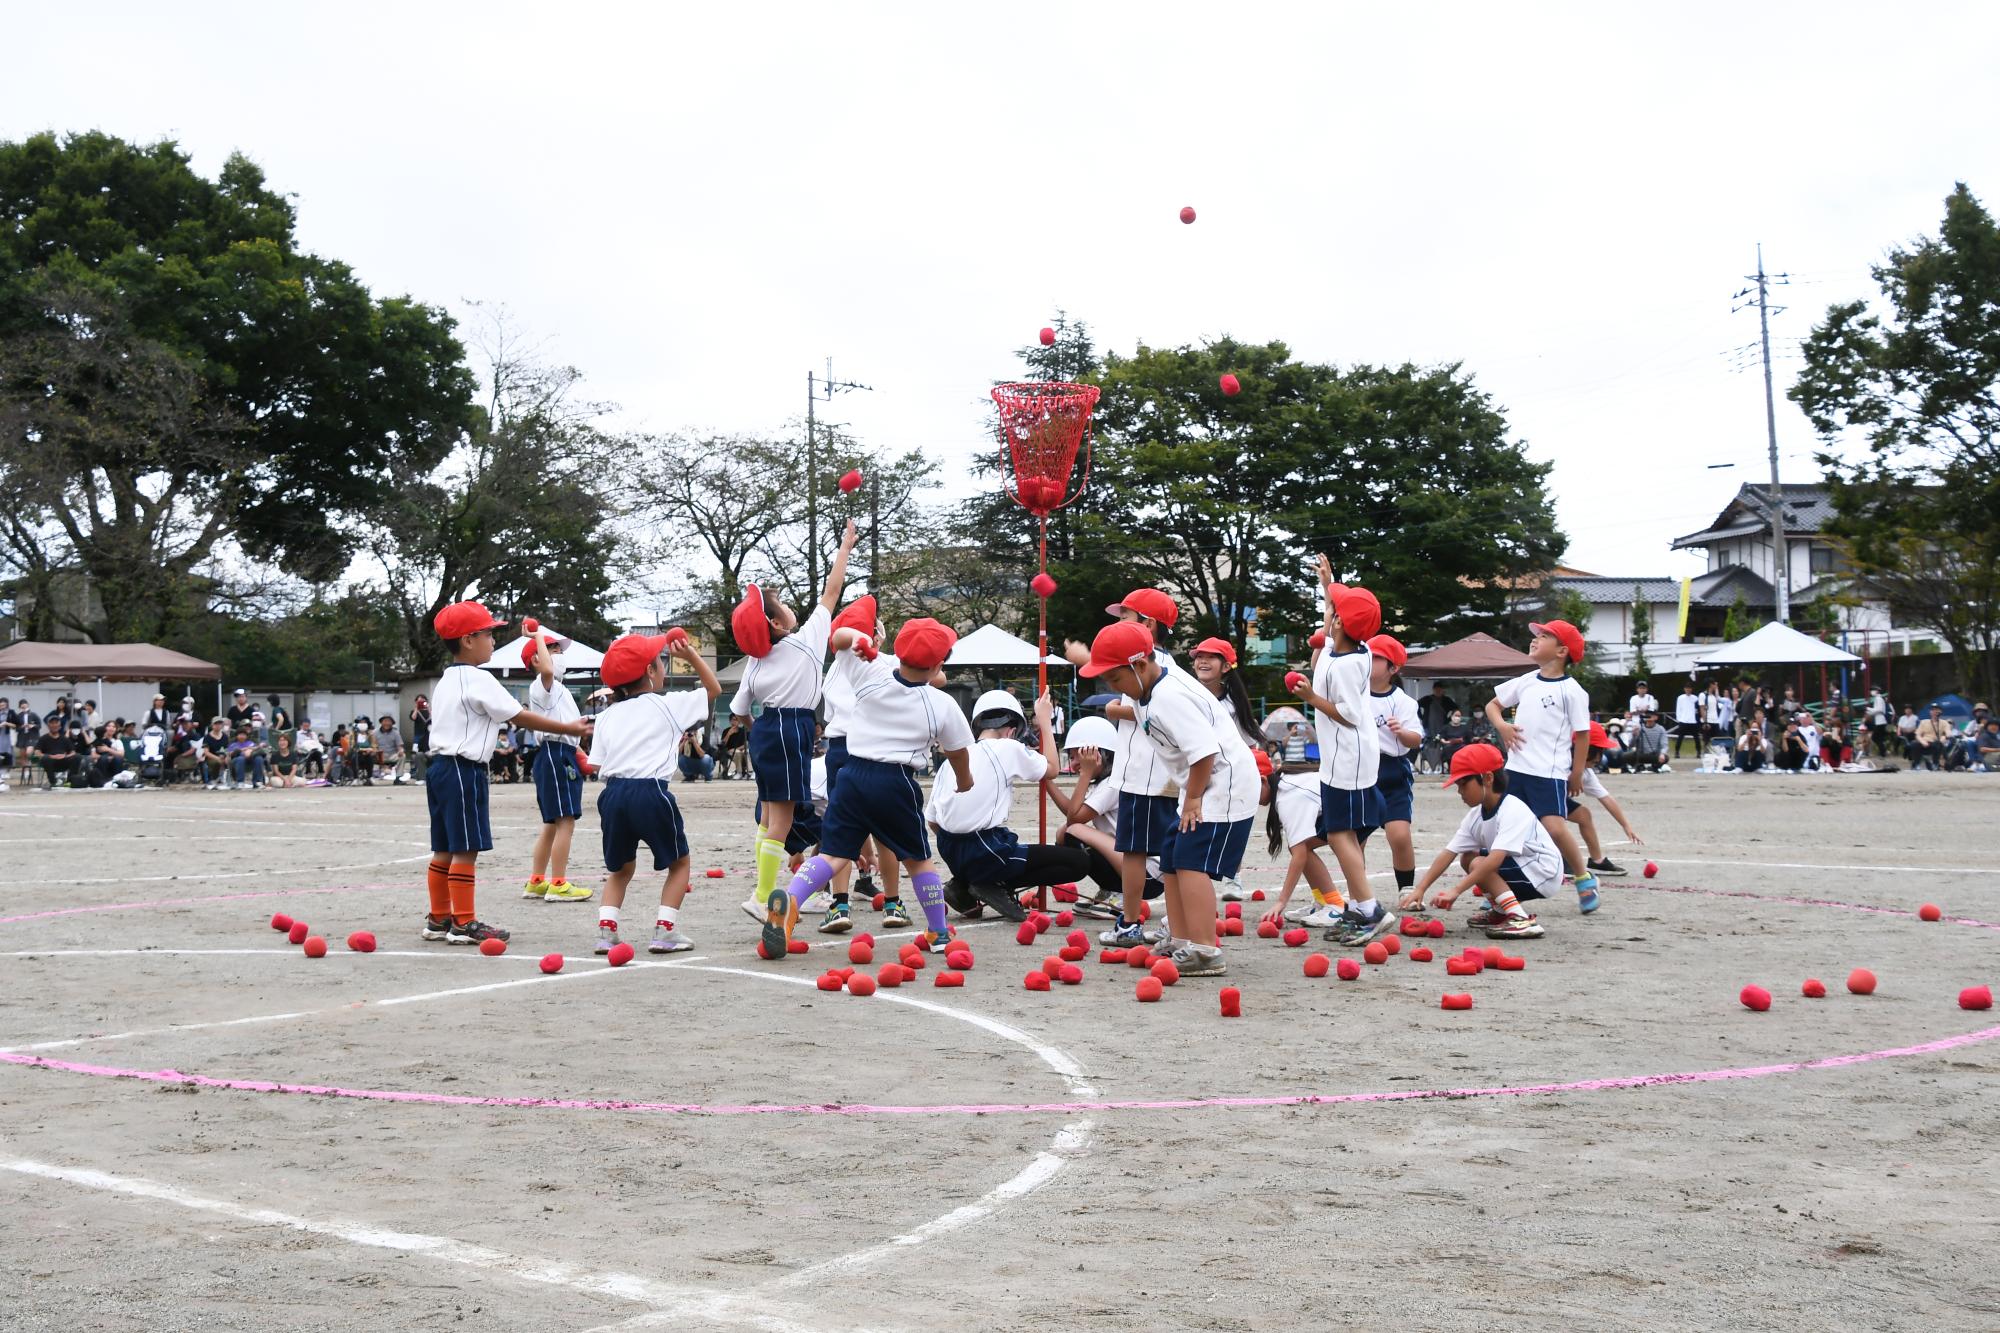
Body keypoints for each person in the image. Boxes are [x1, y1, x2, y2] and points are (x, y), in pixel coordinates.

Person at [763, 618, 973, 959]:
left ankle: (791, 902)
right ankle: (937, 930)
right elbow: (958, 752)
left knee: (832, 854)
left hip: (852, 775)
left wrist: (859, 640)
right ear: (938, 665)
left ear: (898, 653)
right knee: (918, 860)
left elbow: (839, 637)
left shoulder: (871, 672)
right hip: (896, 782)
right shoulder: (941, 704)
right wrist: (965, 781)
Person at [1080, 620, 1260, 977]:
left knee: (1191, 862)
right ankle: (1181, 939)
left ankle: (1206, 950)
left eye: (1115, 679)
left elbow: (1205, 752)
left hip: (1223, 784)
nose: (1111, 687)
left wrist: (1192, 799)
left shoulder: (1169, 697)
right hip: (1199, 784)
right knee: (1173, 859)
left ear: (1141, 665)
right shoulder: (1144, 690)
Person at [421, 600, 594, 947]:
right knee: (465, 849)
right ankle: (464, 922)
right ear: (468, 640)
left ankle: (439, 917)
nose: (492, 641)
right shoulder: (478, 678)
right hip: (462, 769)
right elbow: (518, 716)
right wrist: (568, 727)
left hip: (439, 768)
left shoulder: (446, 680)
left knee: (443, 847)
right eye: (488, 634)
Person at [729, 519, 858, 926]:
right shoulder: (805, 642)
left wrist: (760, 729)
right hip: (791, 728)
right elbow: (833, 591)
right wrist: (845, 547)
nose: (788, 605)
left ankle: (763, 888)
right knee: (782, 819)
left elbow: (741, 709)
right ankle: (763, 894)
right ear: (777, 624)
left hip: (766, 729)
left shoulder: (755, 661)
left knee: (769, 816)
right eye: (780, 603)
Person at [1063, 586, 1189, 950]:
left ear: (1148, 625)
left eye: (1125, 618)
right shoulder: (1157, 663)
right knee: (1160, 850)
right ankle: (1172, 921)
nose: (1119, 623)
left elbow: (1135, 708)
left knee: (1137, 851)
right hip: (1153, 771)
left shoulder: (1155, 666)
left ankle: (1131, 923)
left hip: (1147, 773)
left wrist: (1107, 703)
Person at [589, 630, 722, 956]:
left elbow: (595, 765)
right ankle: (665, 931)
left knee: (619, 870)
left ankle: (606, 933)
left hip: (612, 794)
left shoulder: (605, 716)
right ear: (650, 672)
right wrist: (691, 656)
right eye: (660, 662)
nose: (663, 666)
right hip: (650, 792)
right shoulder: (668, 705)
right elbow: (713, 690)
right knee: (680, 863)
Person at [1293, 569, 1395, 946]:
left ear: (1340, 623)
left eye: (1335, 611)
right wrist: (1327, 588)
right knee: (1344, 832)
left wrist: (1311, 699)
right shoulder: (1354, 648)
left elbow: (1348, 713)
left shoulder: (1349, 663)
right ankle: (1359, 905)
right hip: (1348, 757)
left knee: (1338, 833)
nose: (1330, 616)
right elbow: (1332, 627)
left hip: (1348, 758)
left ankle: (1369, 908)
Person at [929, 689, 1084, 922]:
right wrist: (1044, 721)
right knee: (1079, 862)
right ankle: (990, 882)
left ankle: (964, 880)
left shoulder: (954, 759)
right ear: (1012, 730)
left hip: (949, 848)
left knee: (1006, 841)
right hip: (985, 849)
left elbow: (933, 821)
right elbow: (1052, 768)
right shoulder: (1007, 747)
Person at [1484, 619, 1601, 918]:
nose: (1535, 639)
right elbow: (1492, 706)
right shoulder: (1526, 680)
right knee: (1505, 831)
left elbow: (1583, 735)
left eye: (1545, 636)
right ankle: (1501, 888)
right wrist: (1503, 727)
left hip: (1548, 774)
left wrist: (1576, 773)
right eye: (1536, 635)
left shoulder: (1572, 691)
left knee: (1554, 827)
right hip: (1515, 771)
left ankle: (1585, 879)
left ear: (1562, 651)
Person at [1405, 743, 1561, 938]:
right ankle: (1501, 911)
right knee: (1467, 858)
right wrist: (1420, 889)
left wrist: (1456, 890)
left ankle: (1520, 918)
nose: (1459, 791)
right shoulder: (1475, 816)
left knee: (1480, 862)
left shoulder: (1512, 808)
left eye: (1464, 784)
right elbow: (1449, 852)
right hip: (1524, 868)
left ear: (1487, 778)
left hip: (1543, 872)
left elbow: (1494, 860)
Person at [814, 594, 902, 931]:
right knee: (886, 830)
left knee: (839, 831)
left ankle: (839, 906)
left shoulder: (834, 671)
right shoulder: (884, 662)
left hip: (838, 750)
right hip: (876, 751)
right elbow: (933, 678)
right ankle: (893, 904)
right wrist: (879, 646)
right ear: (875, 635)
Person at [1187, 635, 1264, 902]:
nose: (1202, 661)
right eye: (1198, 656)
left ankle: (1233, 877)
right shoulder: (1186, 695)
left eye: (1210, 656)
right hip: (1193, 773)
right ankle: (1193, 881)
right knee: (1191, 830)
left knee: (1230, 829)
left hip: (1227, 777)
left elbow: (1249, 744)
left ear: (1226, 666)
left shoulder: (1234, 705)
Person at [519, 632, 592, 904]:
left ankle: (537, 881)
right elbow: (547, 668)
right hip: (554, 754)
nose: (559, 655)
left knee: (551, 823)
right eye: (553, 651)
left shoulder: (557, 689)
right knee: (565, 822)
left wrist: (580, 752)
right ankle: (559, 883)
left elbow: (566, 726)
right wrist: (537, 635)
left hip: (560, 753)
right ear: (538, 659)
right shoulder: (542, 683)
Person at [1047, 716, 1138, 919]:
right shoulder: (1106, 782)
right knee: (1066, 831)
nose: (1074, 763)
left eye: (1077, 756)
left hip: (1142, 871)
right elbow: (1073, 811)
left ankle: (1120, 893)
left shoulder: (1113, 784)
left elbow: (1075, 819)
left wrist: (1085, 775)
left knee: (1072, 830)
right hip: (1129, 863)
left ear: (1097, 755)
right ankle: (1110, 888)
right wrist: (1047, 782)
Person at [1365, 634, 1424, 907]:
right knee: (1357, 837)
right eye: (1368, 655)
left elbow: (1417, 739)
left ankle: (1406, 889)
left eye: (1377, 658)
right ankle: (1359, 893)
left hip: (1393, 772)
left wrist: (1402, 733)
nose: (1370, 661)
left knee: (1399, 835)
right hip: (1362, 770)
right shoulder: (1355, 693)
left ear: (1393, 669)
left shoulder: (1403, 702)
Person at [1568, 722, 1640, 874]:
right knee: (1554, 821)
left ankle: (1597, 861)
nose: (1601, 757)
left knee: (1584, 815)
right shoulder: (1560, 762)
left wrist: (1626, 826)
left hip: (1552, 803)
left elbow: (1606, 798)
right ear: (1586, 749)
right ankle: (1560, 859)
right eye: (1599, 750)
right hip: (1534, 800)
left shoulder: (1586, 773)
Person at [1912, 705, 1953, 772]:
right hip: (1924, 742)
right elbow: (1917, 735)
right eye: (1933, 710)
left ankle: (1935, 764)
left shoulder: (1944, 723)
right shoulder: (1924, 722)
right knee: (1914, 744)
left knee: (1937, 744)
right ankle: (1917, 764)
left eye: (1936, 710)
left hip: (1936, 742)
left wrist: (1946, 736)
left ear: (1940, 712)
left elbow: (1948, 732)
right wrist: (1922, 741)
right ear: (1930, 712)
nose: (1935, 712)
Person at [1671, 682, 1702, 759]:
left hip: (1693, 721)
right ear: (1684, 689)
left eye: (1689, 688)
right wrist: (1679, 719)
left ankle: (1698, 752)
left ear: (1691, 689)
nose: (1688, 690)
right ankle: (1677, 752)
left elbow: (1698, 709)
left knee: (1696, 737)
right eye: (1686, 688)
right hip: (1683, 720)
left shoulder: (1695, 698)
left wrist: (1698, 718)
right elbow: (1678, 708)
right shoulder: (1680, 698)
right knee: (1680, 737)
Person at [198, 718, 232, 788]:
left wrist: (227, 757)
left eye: (220, 723)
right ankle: (214, 779)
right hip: (211, 757)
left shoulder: (225, 737)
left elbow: (227, 750)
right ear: (212, 725)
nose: (218, 725)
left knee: (231, 761)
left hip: (223, 756)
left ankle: (231, 780)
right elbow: (206, 752)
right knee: (217, 762)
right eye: (216, 723)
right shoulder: (207, 737)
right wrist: (217, 758)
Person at [376, 716, 406, 784]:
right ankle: (369, 778)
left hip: (391, 755)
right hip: (378, 755)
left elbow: (400, 745)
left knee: (402, 756)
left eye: (389, 721)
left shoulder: (395, 733)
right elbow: (373, 745)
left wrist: (401, 750)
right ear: (381, 722)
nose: (387, 723)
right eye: (385, 721)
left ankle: (398, 778)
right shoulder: (375, 733)